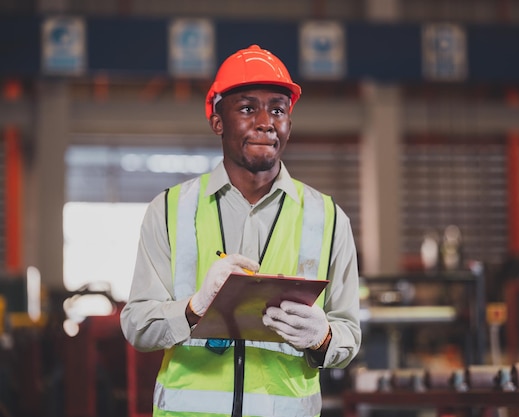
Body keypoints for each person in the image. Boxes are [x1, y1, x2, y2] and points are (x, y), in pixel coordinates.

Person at [120, 44, 361, 417]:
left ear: (289, 125)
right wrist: (193, 308)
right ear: (218, 121)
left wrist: (323, 337)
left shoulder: (327, 218)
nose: (265, 121)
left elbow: (349, 332)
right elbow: (137, 325)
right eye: (248, 108)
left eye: (277, 109)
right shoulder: (168, 211)